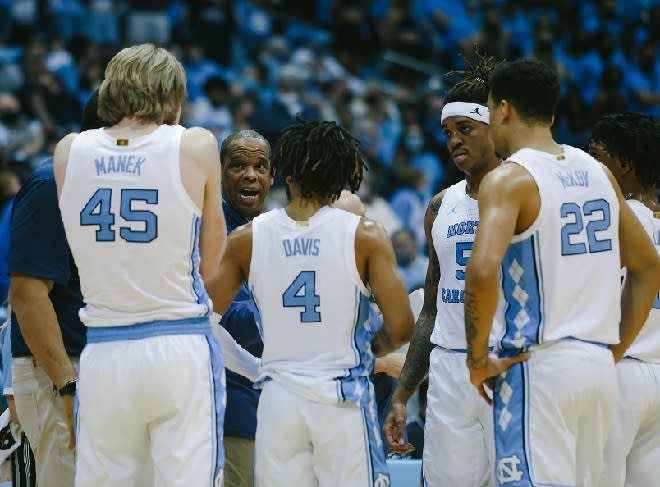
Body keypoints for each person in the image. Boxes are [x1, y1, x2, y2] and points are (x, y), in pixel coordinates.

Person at [465, 58, 660, 487]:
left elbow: (480, 273)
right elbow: (647, 267)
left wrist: (477, 359)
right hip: (597, 369)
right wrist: (610, 350)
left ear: (503, 110)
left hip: (539, 366)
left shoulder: (509, 179)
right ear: (551, 115)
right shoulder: (599, 173)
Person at [206, 118, 415, 487]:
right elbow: (401, 327)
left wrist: (249, 365)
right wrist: (368, 349)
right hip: (340, 396)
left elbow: (203, 320)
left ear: (285, 174)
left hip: (278, 398)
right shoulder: (364, 235)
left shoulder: (247, 237)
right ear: (341, 177)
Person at [53, 44, 226, 487]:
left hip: (104, 348)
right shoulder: (196, 144)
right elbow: (215, 269)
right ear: (172, 97)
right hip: (177, 343)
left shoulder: (69, 151)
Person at [383, 53, 506, 486]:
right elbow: (431, 309)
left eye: (465, 129)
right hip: (450, 373)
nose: (454, 140)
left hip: (509, 366)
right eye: (448, 132)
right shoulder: (441, 206)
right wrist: (402, 394)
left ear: (495, 126)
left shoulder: (528, 192)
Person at [7, 90, 105, 487]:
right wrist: (69, 384)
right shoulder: (53, 185)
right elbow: (27, 296)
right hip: (60, 373)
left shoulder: (103, 187)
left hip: (96, 367)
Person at [588, 112, 660, 487]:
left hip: (619, 367)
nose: (590, 165)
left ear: (624, 165)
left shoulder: (617, 216)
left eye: (597, 156)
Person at [218, 129, 273, 487]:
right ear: (219, 172)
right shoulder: (212, 230)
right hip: (233, 406)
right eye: (238, 165)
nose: (250, 175)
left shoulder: (271, 230)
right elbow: (228, 320)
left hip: (274, 405)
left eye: (260, 167)